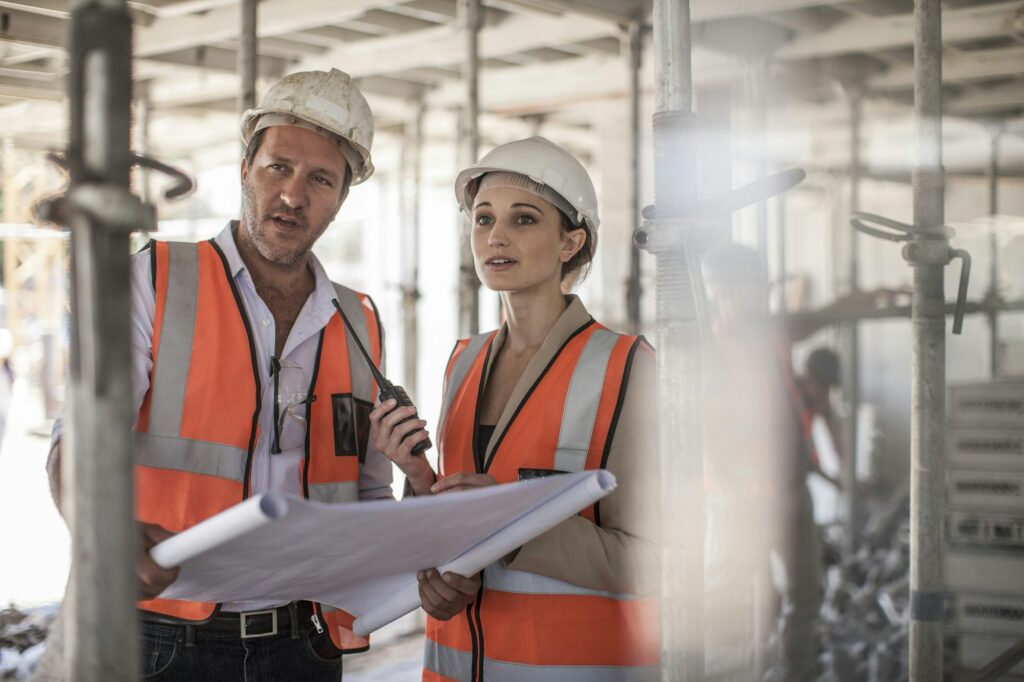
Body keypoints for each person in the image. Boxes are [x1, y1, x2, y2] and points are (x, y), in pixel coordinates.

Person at [45, 68, 436, 681]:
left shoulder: (358, 320)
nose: (292, 195)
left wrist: (420, 492)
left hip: (302, 645)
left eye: (320, 179)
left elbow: (364, 498)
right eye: (278, 167)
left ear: (341, 198)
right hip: (158, 636)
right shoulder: (154, 281)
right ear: (246, 168)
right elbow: (76, 445)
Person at [370, 137, 660, 681]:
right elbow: (451, 515)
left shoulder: (626, 368)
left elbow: (654, 561)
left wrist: (511, 523)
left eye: (523, 219)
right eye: (483, 220)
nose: (495, 236)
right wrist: (415, 479)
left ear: (571, 242)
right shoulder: (463, 361)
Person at [701, 243, 821, 682]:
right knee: (732, 604)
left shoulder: (770, 340)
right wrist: (736, 498)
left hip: (790, 492)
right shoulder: (710, 351)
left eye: (761, 292)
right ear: (722, 292)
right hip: (739, 501)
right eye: (749, 291)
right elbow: (705, 434)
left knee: (804, 594)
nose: (758, 302)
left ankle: (796, 674)